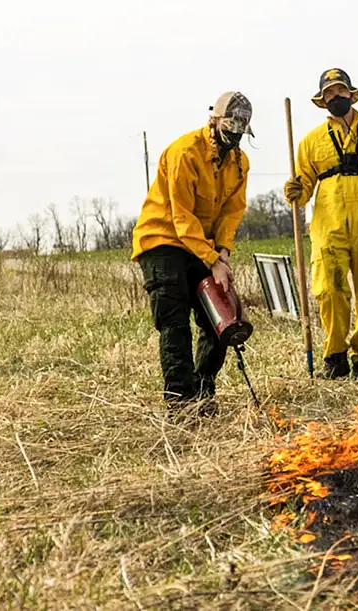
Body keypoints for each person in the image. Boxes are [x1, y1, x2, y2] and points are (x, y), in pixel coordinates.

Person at [131, 91, 252, 415]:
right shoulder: (185, 152)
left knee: (219, 321)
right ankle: (179, 402)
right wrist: (212, 260)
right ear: (214, 120)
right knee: (175, 324)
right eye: (229, 130)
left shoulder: (240, 163)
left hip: (203, 245)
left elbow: (232, 211)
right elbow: (182, 217)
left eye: (240, 133)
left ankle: (203, 390)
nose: (234, 138)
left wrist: (223, 253)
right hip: (163, 242)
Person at [285, 68, 358, 380]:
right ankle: (335, 357)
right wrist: (295, 191)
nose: (336, 97)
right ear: (322, 102)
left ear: (352, 94)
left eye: (340, 91)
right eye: (329, 94)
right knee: (330, 290)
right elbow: (304, 188)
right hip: (329, 227)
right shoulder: (310, 142)